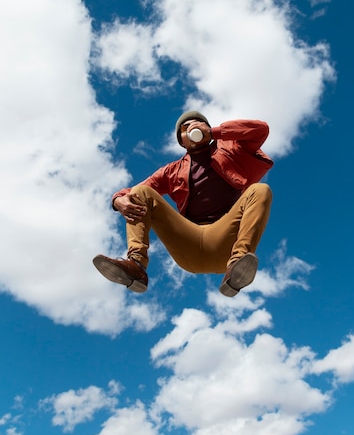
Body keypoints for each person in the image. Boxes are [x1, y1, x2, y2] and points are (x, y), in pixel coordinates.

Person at [93, 111, 273, 297]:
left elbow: (260, 130)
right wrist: (117, 200)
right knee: (140, 193)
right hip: (190, 245)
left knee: (260, 190)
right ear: (181, 140)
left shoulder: (230, 150)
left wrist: (216, 132)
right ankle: (136, 266)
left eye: (198, 124)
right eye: (186, 128)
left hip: (225, 243)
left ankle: (238, 265)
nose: (193, 129)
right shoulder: (171, 171)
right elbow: (132, 192)